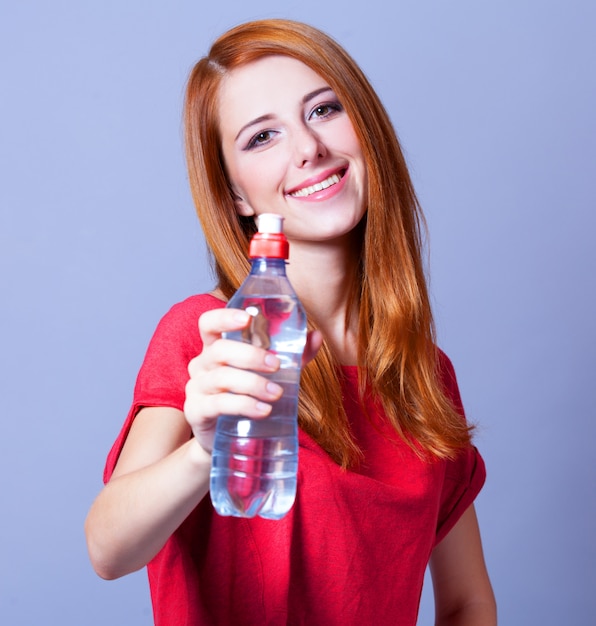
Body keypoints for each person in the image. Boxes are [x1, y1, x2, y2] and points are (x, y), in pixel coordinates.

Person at [85, 18, 497, 626]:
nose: (308, 148)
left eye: (325, 109)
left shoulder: (423, 374)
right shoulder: (214, 337)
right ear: (237, 198)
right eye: (261, 138)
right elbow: (108, 548)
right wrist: (206, 452)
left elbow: (467, 602)